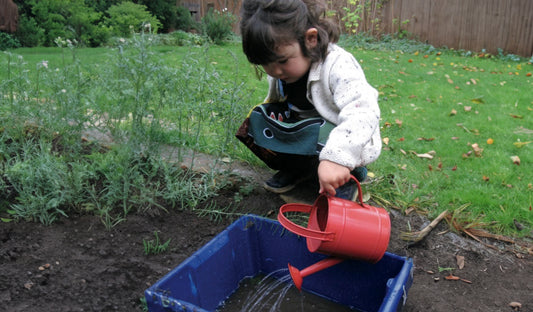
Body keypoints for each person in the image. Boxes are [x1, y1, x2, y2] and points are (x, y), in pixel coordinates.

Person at [239, 0, 381, 200]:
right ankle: (299, 168)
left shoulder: (338, 65)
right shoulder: (281, 70)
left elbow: (364, 111)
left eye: (282, 61)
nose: (274, 71)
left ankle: (348, 174)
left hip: (343, 136)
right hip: (307, 130)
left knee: (326, 135)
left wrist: (337, 158)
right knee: (261, 120)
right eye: (265, 64)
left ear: (310, 39)